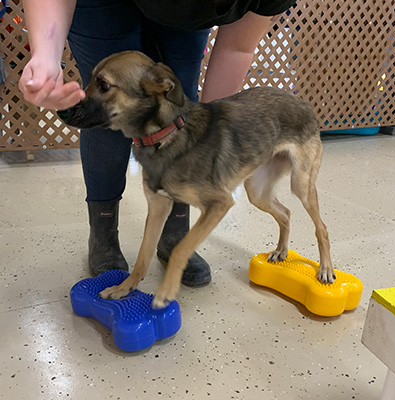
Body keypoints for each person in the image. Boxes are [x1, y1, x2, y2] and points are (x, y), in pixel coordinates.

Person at [19, 0, 296, 287]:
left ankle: (176, 227)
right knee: (105, 112)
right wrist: (45, 55)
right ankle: (103, 231)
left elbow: (237, 47)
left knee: (181, 103)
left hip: (187, 14)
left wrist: (207, 138)